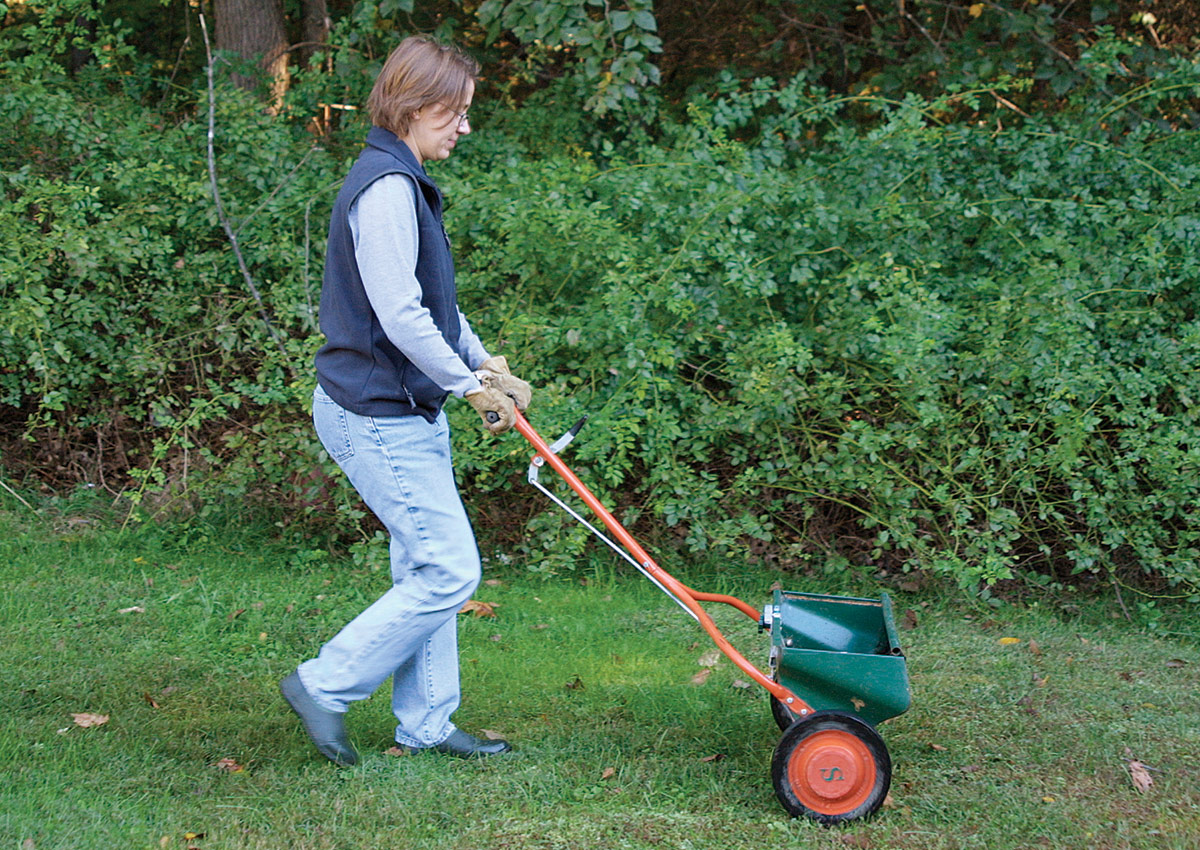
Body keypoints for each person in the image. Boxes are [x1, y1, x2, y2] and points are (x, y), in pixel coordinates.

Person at [280, 35, 531, 765]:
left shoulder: (403, 178)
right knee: (450, 569)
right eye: (456, 112)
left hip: (403, 411)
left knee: (424, 567)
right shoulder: (387, 188)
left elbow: (434, 308)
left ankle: (425, 723)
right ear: (416, 106)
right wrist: (468, 386)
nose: (465, 127)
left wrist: (484, 361)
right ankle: (324, 684)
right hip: (373, 414)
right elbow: (399, 313)